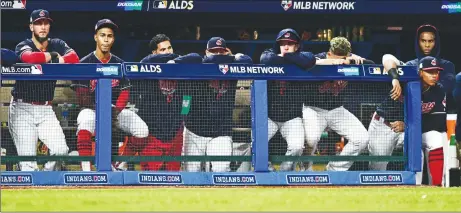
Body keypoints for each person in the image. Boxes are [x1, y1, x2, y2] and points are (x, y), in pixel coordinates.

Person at [72, 19, 149, 171]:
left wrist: (114, 111)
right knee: (84, 122)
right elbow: (82, 97)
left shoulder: (119, 63)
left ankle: (120, 165)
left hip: (115, 111)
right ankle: (86, 170)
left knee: (142, 130)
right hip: (92, 109)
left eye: (109, 36)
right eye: (102, 35)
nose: (106, 39)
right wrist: (102, 111)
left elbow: (125, 92)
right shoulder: (84, 63)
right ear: (95, 37)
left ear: (113, 39)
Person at [10, 9, 79, 171]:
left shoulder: (59, 43)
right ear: (31, 27)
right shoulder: (24, 45)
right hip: (23, 109)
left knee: (61, 151)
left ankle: (46, 180)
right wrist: (54, 56)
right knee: (28, 165)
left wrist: (54, 57)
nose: (42, 27)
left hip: (46, 109)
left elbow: (74, 58)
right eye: (38, 23)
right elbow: (29, 58)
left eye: (45, 23)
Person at [302, 37, 379, 171]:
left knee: (362, 138)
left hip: (337, 110)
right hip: (313, 109)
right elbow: (308, 62)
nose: (341, 60)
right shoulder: (318, 58)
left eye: (344, 56)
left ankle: (334, 169)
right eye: (336, 56)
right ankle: (305, 169)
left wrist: (356, 59)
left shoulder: (351, 59)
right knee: (311, 139)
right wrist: (334, 61)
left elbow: (372, 64)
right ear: (329, 52)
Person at [127, 34, 202, 171]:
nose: (168, 52)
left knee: (174, 179)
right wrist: (167, 60)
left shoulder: (180, 67)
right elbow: (145, 61)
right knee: (150, 180)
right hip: (153, 136)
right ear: (154, 53)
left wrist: (183, 116)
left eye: (169, 48)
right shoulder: (147, 69)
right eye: (163, 50)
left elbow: (196, 57)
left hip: (175, 134)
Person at [182, 37, 252, 172]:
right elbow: (186, 98)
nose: (218, 55)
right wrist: (183, 120)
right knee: (191, 174)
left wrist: (232, 56)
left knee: (221, 170)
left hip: (221, 132)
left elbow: (247, 61)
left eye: (221, 52)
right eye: (214, 52)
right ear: (206, 52)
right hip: (195, 131)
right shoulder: (198, 66)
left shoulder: (232, 68)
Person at [260, 28, 316, 171]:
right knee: (257, 142)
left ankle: (285, 172)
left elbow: (310, 60)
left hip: (291, 117)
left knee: (297, 146)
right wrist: (290, 58)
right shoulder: (270, 54)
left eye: (290, 44)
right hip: (269, 115)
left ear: (297, 46)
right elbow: (265, 59)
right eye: (283, 43)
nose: (285, 46)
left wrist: (289, 57)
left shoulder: (304, 56)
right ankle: (267, 171)